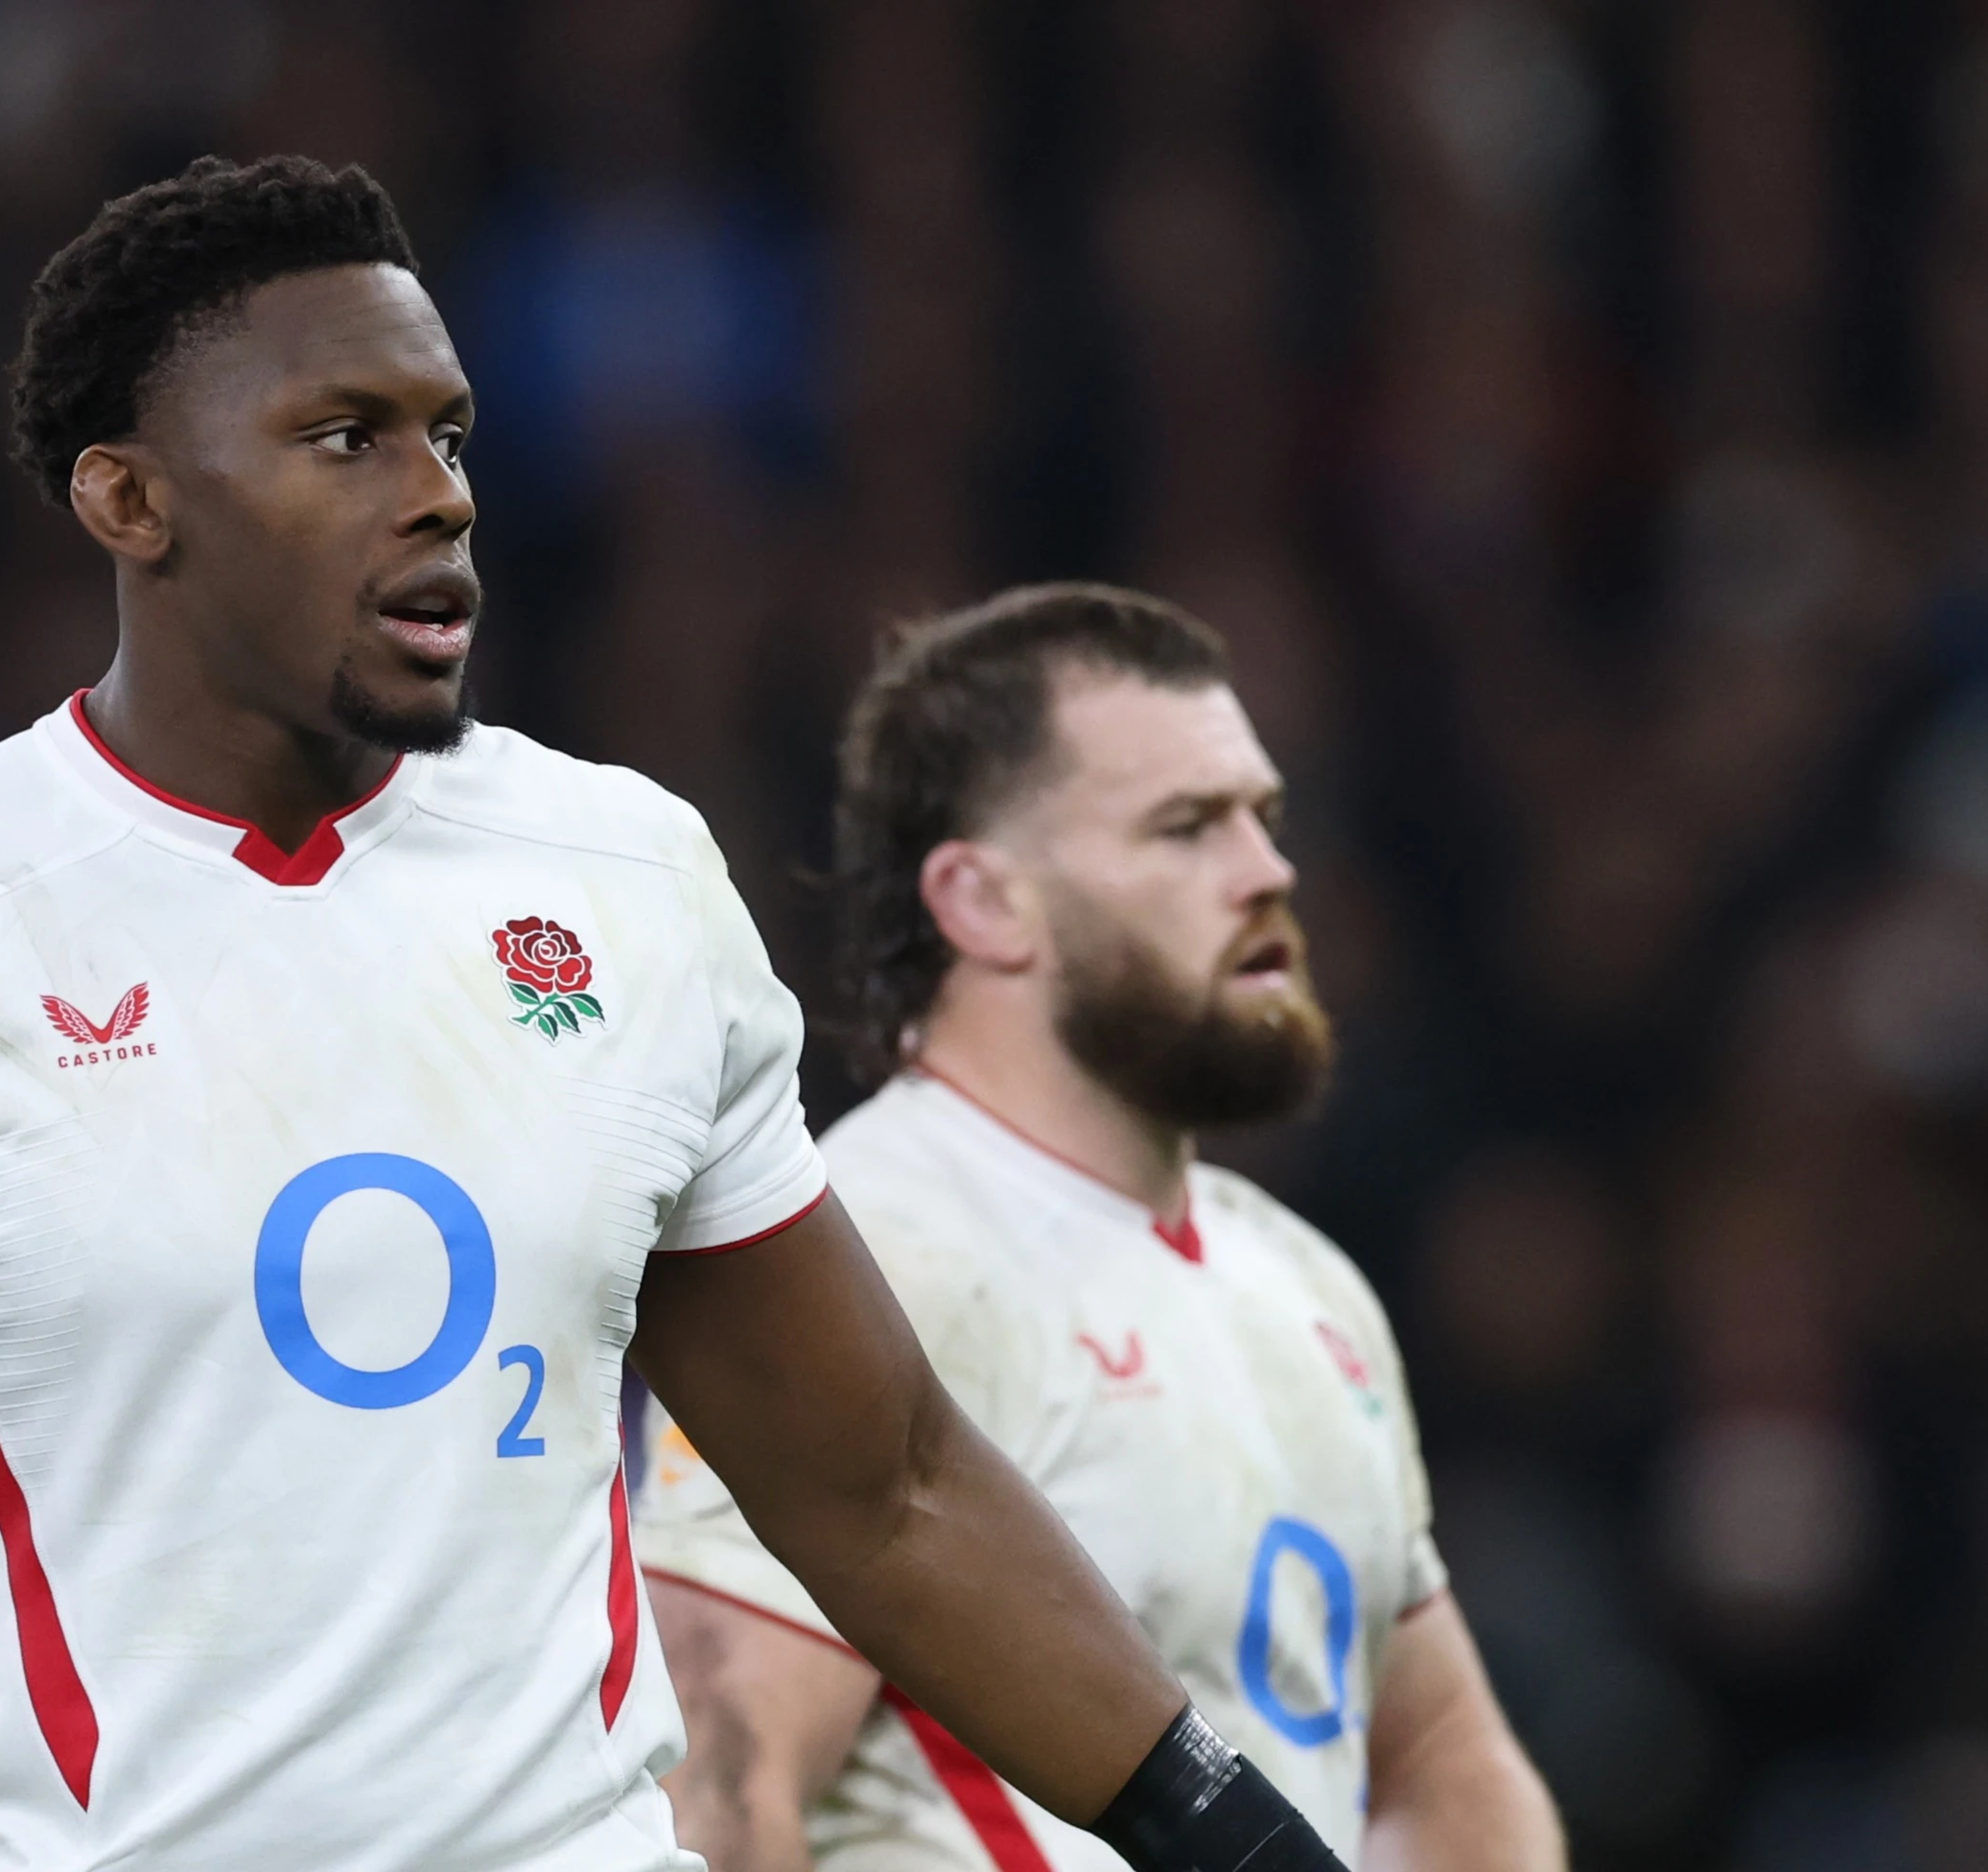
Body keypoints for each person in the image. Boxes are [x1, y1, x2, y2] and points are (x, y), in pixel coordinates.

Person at [0, 160, 1350, 1872]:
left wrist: (1223, 1830)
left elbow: (883, 1484)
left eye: (449, 435)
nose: (437, 497)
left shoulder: (625, 879)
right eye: (346, 438)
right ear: (130, 498)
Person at [635, 583, 1565, 1871]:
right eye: (1187, 827)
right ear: (982, 901)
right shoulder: (870, 1252)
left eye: (1264, 819)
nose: (1269, 872)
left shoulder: (1302, 1278)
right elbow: (725, 1781)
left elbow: (1444, 1756)